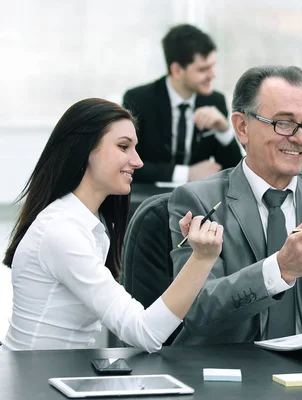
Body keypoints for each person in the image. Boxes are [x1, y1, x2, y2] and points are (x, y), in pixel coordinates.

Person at [168, 66, 302, 346]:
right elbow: (196, 309)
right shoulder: (199, 203)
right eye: (284, 123)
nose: (300, 138)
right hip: (229, 374)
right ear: (242, 127)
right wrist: (279, 270)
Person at [2, 98, 223, 352]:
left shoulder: (93, 226)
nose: (138, 161)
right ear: (85, 150)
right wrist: (201, 259)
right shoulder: (61, 232)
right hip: (34, 385)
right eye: (123, 147)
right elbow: (145, 333)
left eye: (135, 148)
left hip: (61, 375)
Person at [123, 24, 242, 184]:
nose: (212, 75)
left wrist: (224, 131)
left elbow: (234, 172)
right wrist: (186, 174)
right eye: (203, 69)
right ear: (177, 71)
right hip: (146, 198)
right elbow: (126, 164)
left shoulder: (215, 101)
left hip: (196, 201)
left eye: (212, 67)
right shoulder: (138, 99)